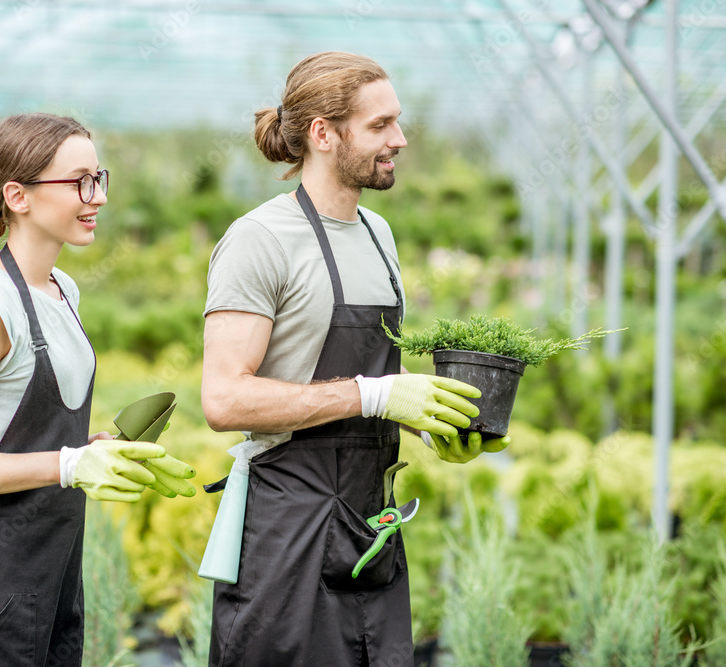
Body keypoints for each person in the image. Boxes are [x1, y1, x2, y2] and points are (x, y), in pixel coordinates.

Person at [200, 52, 510, 666]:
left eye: (398, 122)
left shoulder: (378, 234)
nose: (399, 139)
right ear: (323, 133)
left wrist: (430, 421)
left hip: (371, 528)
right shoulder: (260, 240)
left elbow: (373, 385)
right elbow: (224, 399)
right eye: (380, 126)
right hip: (288, 534)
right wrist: (376, 394)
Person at [0, 112, 195, 666]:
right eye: (80, 182)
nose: (98, 197)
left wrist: (94, 450)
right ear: (18, 195)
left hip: (54, 572)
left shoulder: (62, 289)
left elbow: (28, 434)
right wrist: (68, 466)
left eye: (99, 178)